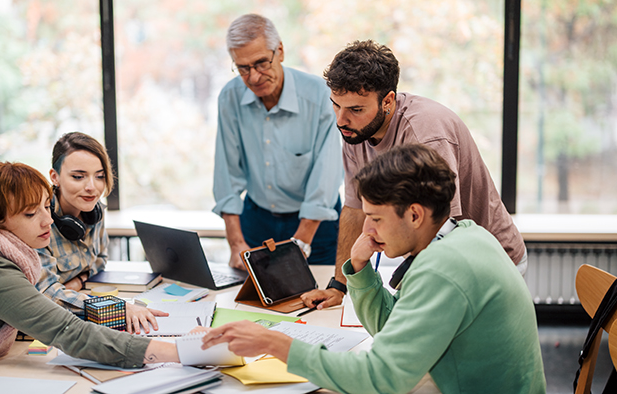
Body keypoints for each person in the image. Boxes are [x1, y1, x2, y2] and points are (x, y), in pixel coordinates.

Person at [202, 144, 546, 394]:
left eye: (376, 218)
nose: (368, 229)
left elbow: (382, 378)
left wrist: (276, 343)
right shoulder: (465, 234)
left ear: (414, 215)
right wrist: (360, 270)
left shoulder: (443, 269)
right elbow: (393, 329)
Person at [301, 40, 527, 310]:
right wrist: (339, 285)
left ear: (388, 101)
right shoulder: (355, 131)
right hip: (440, 259)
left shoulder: (426, 135)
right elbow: (353, 209)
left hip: (489, 263)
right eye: (336, 106)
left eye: (355, 109)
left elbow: (444, 230)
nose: (340, 119)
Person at [0, 162, 179, 393]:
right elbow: (70, 333)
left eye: (46, 207)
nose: (48, 221)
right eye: (30, 214)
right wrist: (181, 351)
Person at [212, 14, 343, 268]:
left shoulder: (319, 96)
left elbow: (326, 176)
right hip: (257, 220)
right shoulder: (230, 97)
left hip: (316, 223)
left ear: (280, 51)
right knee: (255, 303)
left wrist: (301, 241)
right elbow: (226, 176)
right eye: (243, 68)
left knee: (318, 299)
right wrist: (236, 242)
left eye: (261, 63)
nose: (254, 77)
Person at [35, 132, 165, 334]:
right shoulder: (38, 222)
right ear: (55, 177)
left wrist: (74, 284)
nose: (92, 188)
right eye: (78, 177)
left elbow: (99, 262)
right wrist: (117, 308)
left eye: (100, 176)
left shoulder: (95, 211)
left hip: (76, 312)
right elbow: (46, 295)